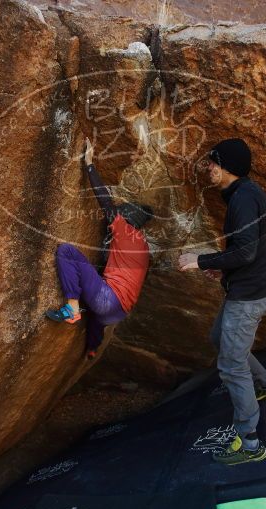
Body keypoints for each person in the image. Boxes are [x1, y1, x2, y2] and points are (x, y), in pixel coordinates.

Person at [178, 138, 266, 466]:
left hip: (248, 298)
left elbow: (246, 251)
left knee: (231, 364)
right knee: (220, 339)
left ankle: (250, 443)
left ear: (228, 168)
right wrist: (222, 270)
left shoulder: (242, 199)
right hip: (249, 289)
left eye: (213, 162)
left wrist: (201, 261)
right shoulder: (246, 194)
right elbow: (245, 251)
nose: (208, 167)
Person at [46, 138, 153, 358]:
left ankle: (72, 308)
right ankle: (93, 347)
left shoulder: (124, 230)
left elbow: (105, 202)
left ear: (128, 218)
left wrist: (89, 164)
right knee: (98, 298)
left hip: (108, 300)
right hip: (116, 313)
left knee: (66, 252)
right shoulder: (143, 247)